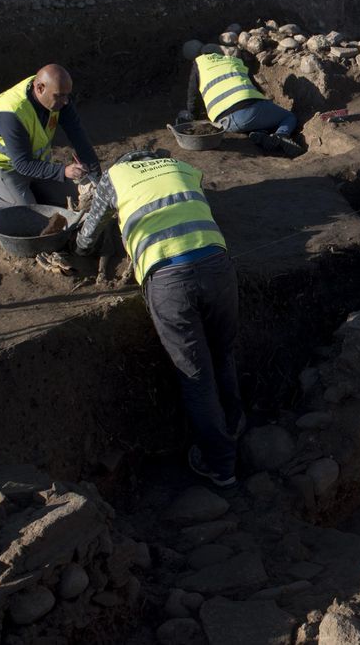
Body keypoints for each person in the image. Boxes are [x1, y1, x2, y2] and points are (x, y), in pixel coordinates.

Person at [74, 149, 242, 487]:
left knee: (197, 377)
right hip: (217, 266)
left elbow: (90, 232)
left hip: (168, 278)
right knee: (222, 354)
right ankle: (237, 428)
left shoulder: (114, 177)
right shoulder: (181, 165)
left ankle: (222, 466)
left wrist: (78, 248)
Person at [0, 64, 100, 208]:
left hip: (34, 161)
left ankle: (30, 193)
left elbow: (78, 136)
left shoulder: (58, 94)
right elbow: (22, 164)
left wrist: (97, 178)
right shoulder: (11, 114)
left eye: (67, 95)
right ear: (40, 88)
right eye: (60, 96)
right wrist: (63, 171)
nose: (66, 101)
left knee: (77, 198)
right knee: (30, 217)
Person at [178, 45, 304, 157]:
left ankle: (259, 136)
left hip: (224, 124)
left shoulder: (199, 63)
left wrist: (193, 114)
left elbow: (193, 94)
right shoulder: (235, 61)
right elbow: (256, 88)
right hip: (252, 111)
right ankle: (281, 135)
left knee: (250, 122)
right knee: (288, 117)